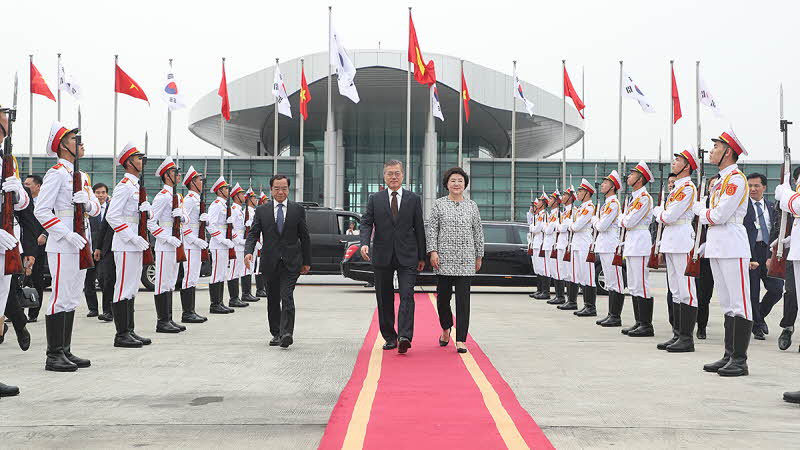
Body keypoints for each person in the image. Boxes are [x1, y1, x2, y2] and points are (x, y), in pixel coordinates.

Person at [34, 121, 100, 371]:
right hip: (63, 244)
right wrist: (65, 234)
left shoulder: (81, 176)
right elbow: (41, 210)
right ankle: (53, 355)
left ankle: (65, 350)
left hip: (81, 241)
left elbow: (95, 209)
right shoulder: (56, 173)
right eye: (74, 139)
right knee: (60, 297)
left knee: (72, 297)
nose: (79, 143)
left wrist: (88, 203)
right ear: (62, 145)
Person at [695, 129, 752, 377]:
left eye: (717, 146)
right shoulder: (720, 180)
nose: (712, 150)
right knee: (727, 303)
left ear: (728, 152)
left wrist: (699, 208)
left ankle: (740, 359)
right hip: (719, 244)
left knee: (740, 303)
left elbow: (719, 215)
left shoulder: (736, 180)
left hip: (732, 244)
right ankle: (729, 354)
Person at [357, 160, 426, 354]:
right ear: (384, 176)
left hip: (408, 255)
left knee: (407, 295)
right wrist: (364, 243)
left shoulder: (413, 199)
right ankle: (389, 337)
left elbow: (419, 228)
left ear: (403, 175)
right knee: (384, 297)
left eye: (397, 173)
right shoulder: (375, 198)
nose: (393, 177)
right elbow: (366, 222)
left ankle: (405, 336)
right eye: (389, 173)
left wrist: (422, 256)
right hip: (382, 255)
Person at [244, 175, 311, 348]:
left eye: (284, 188)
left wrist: (307, 261)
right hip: (270, 261)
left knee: (286, 296)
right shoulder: (262, 211)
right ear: (271, 190)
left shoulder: (297, 210)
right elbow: (253, 233)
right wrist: (248, 252)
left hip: (291, 261)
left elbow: (304, 237)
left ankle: (287, 333)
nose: (280, 192)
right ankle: (276, 333)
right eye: (277, 188)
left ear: (289, 189)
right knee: (273, 299)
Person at [426, 167, 484, 353]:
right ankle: (446, 328)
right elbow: (432, 230)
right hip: (443, 259)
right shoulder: (438, 204)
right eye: (453, 181)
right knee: (442, 300)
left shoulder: (472, 206)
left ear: (465, 184)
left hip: (466, 259)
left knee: (463, 301)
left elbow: (478, 232)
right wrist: (432, 251)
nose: (456, 184)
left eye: (460, 180)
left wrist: (479, 254)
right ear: (447, 184)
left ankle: (461, 339)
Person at [105, 142, 152, 349]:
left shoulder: (135, 186)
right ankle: (121, 334)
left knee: (132, 288)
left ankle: (129, 330)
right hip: (125, 243)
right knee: (123, 287)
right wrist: (132, 237)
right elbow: (112, 216)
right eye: (138, 158)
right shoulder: (124, 186)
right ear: (129, 162)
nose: (142, 161)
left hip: (136, 243)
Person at [654, 148, 698, 352]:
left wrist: (659, 213)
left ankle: (687, 338)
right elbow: (668, 215)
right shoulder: (677, 188)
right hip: (671, 239)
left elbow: (670, 216)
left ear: (687, 166)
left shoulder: (687, 187)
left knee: (686, 290)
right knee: (676, 291)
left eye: (678, 160)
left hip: (681, 238)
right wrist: (663, 214)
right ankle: (678, 334)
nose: (674, 163)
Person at [147, 156, 187, 333]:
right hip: (165, 245)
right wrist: (166, 238)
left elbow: (186, 220)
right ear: (166, 176)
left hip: (176, 243)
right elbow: (151, 223)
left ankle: (169, 319)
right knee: (162, 282)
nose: (177, 175)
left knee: (171, 282)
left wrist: (182, 216)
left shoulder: (176, 196)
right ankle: (161, 321)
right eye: (174, 173)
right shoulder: (162, 197)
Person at [619, 161, 655, 338]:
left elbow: (628, 222)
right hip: (632, 242)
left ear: (640, 178)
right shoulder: (634, 198)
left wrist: (624, 219)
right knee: (633, 285)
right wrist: (625, 220)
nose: (628, 177)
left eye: (632, 174)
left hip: (640, 242)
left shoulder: (644, 198)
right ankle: (639, 321)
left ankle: (647, 324)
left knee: (642, 284)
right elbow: (625, 221)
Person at [745, 172, 783, 340]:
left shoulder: (771, 206)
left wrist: (773, 254)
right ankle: (757, 326)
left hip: (768, 252)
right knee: (752, 292)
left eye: (756, 186)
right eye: (750, 186)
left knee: (776, 290)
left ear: (764, 187)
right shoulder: (742, 207)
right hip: (751, 252)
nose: (753, 189)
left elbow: (776, 229)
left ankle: (758, 316)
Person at [767, 167, 800, 351]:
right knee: (791, 292)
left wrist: (785, 193)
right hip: (793, 250)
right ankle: (787, 326)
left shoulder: (790, 198)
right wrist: (785, 242)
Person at [178, 165, 210, 321]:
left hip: (197, 243)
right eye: (199, 180)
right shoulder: (190, 200)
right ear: (192, 182)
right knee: (189, 276)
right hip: (191, 244)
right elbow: (182, 223)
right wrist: (193, 240)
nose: (202, 182)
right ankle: (187, 312)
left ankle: (191, 310)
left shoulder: (197, 199)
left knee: (194, 276)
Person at [594, 171, 624, 327]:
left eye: (606, 183)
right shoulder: (607, 203)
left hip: (611, 245)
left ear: (613, 186)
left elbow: (602, 225)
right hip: (604, 245)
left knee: (615, 281)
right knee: (609, 282)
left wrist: (596, 222)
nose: (602, 185)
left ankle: (616, 316)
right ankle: (611, 314)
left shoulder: (613, 204)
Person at [206, 176, 236, 314]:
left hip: (224, 244)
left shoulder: (224, 205)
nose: (228, 190)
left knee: (222, 273)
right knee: (216, 273)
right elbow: (210, 225)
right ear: (219, 191)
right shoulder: (216, 205)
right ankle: (214, 304)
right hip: (218, 244)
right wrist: (222, 240)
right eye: (225, 188)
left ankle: (220, 302)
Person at [696, 175, 719, 340]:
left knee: (709, 295)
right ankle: (700, 327)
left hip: (719, 250)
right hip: (702, 255)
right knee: (702, 294)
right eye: (711, 186)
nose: (713, 188)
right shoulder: (700, 205)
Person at [569, 179, 597, 316]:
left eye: (580, 191)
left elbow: (576, 226)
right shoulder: (581, 208)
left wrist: (572, 226)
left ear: (587, 193)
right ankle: (586, 305)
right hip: (578, 243)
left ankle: (591, 307)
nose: (578, 194)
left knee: (588, 276)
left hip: (585, 243)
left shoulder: (589, 207)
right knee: (582, 275)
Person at [83, 183, 109, 320]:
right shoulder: (88, 208)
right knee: (89, 281)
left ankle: (107, 310)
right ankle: (92, 308)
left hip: (105, 249)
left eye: (103, 192)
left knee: (105, 279)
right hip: (90, 247)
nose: (101, 195)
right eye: (98, 192)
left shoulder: (110, 207)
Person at [24, 174, 47, 323]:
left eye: (28, 184)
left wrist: (45, 234)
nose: (24, 187)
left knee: (37, 280)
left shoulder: (45, 202)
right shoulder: (21, 201)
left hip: (39, 246)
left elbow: (53, 218)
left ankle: (33, 313)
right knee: (20, 278)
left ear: (38, 186)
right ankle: (17, 312)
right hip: (24, 245)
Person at [225, 183, 249, 308]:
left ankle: (236, 297)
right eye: (241, 194)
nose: (244, 196)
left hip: (241, 243)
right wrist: (238, 240)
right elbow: (231, 229)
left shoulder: (239, 210)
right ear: (235, 196)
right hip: (236, 244)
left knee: (238, 270)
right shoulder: (234, 210)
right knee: (234, 270)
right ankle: (233, 298)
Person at [558, 186, 581, 312]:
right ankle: (569, 299)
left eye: (565, 195)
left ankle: (572, 301)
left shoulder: (574, 211)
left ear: (570, 198)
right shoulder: (565, 212)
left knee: (572, 273)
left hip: (569, 243)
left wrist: (562, 226)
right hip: (563, 243)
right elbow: (561, 227)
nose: (563, 197)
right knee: (566, 272)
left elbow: (562, 228)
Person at [544, 190, 567, 307]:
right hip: (549, 244)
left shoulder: (557, 214)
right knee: (554, 270)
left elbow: (547, 230)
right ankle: (558, 295)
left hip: (554, 244)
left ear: (556, 202)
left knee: (558, 270)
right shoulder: (552, 215)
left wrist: (547, 227)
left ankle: (561, 296)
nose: (549, 201)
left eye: (552, 199)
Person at [239, 188, 260, 303]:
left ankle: (247, 292)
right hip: (246, 244)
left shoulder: (253, 212)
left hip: (254, 243)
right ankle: (245, 293)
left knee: (250, 268)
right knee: (245, 268)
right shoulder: (246, 212)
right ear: (249, 200)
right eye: (254, 198)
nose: (256, 200)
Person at [530, 193, 550, 299]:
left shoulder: (544, 215)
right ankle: (539, 290)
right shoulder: (538, 216)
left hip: (541, 243)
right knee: (537, 268)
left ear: (543, 204)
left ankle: (545, 291)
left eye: (540, 201)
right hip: (536, 244)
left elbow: (536, 229)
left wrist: (532, 227)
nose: (537, 203)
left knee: (543, 268)